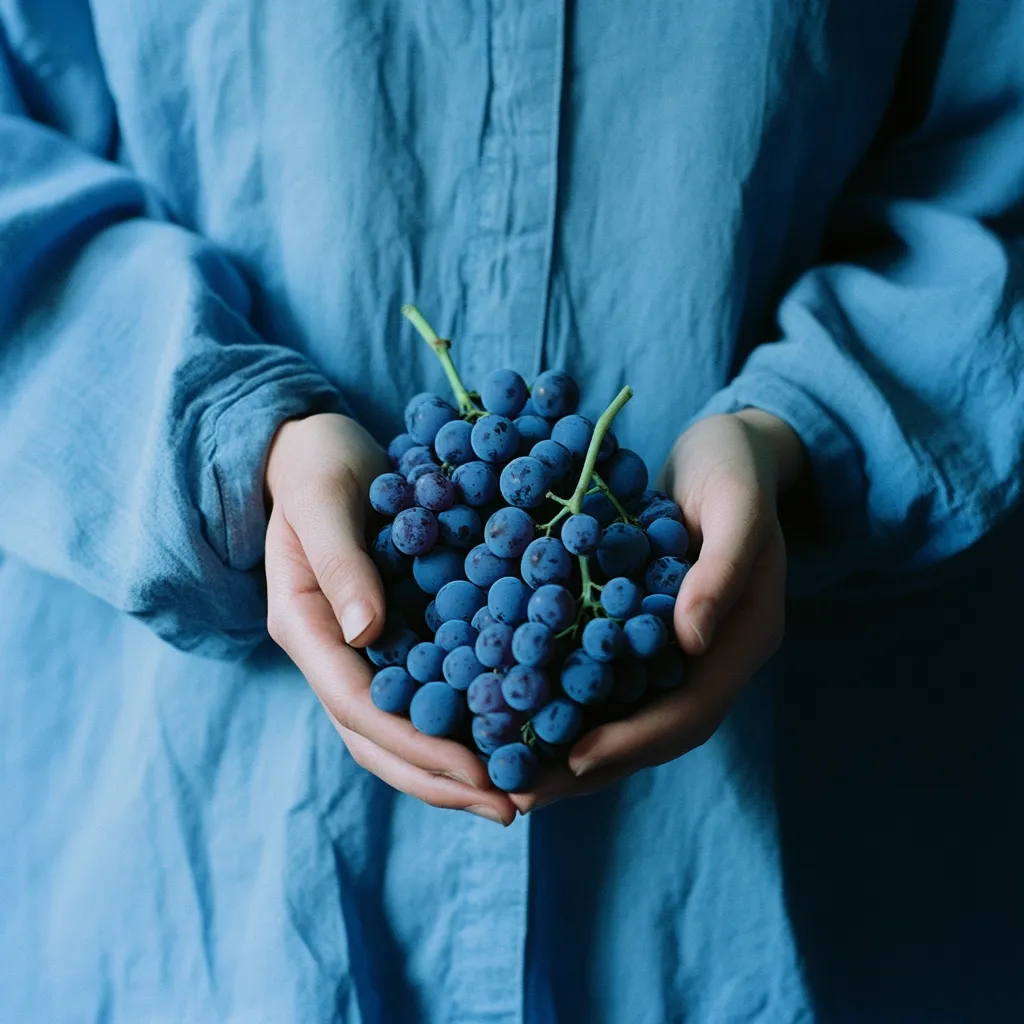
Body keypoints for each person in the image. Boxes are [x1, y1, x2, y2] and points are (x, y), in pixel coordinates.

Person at [1, 2, 1022, 1021]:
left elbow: (998, 162)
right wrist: (226, 432)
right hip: (205, 843)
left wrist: (799, 431)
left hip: (799, 848)